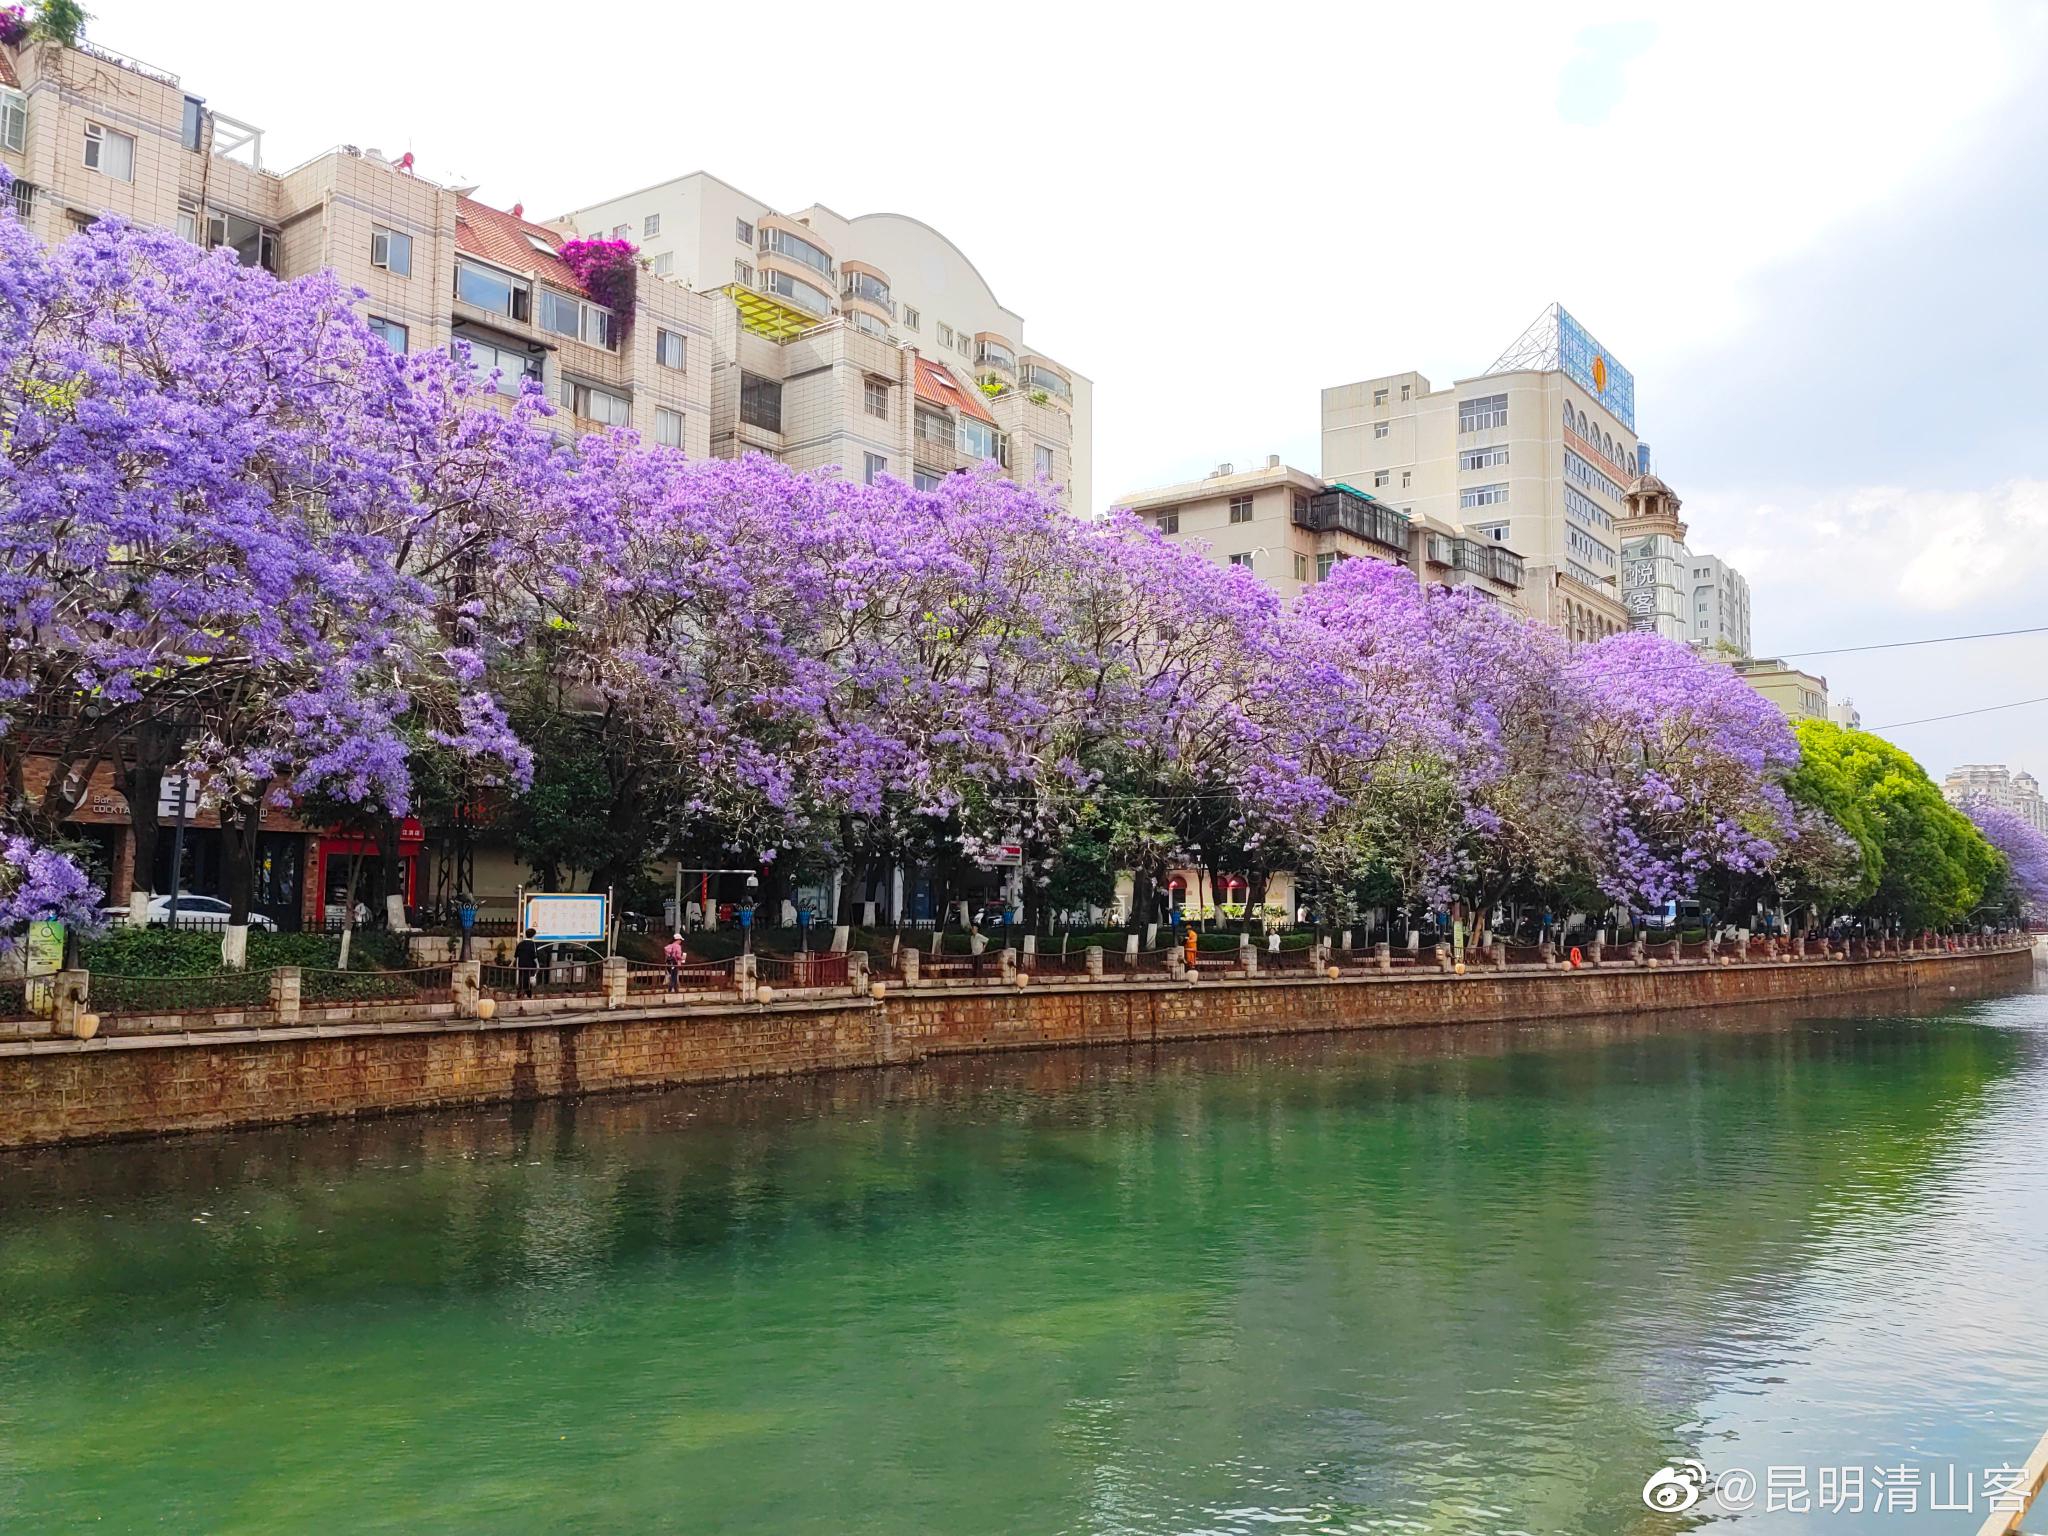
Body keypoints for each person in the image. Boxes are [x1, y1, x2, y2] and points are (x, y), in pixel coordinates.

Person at [514, 927, 540, 998]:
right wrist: (537, 964)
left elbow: (516, 955)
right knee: (529, 980)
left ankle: (519, 994)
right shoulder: (532, 944)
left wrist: (511, 964)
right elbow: (534, 955)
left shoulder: (520, 944)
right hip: (530, 965)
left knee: (522, 979)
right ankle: (528, 995)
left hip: (521, 965)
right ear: (533, 936)